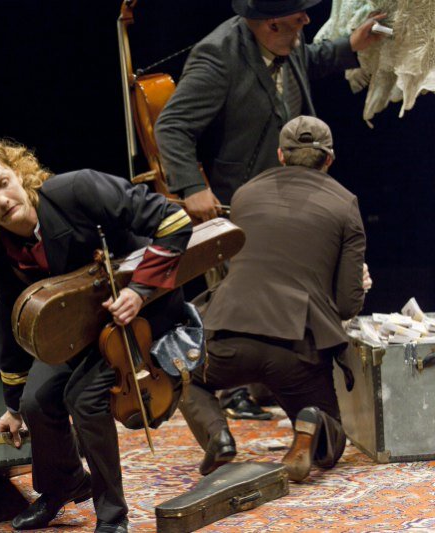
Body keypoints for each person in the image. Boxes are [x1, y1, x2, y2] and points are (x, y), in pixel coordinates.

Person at [0, 140, 192, 532]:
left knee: (83, 398)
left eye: (3, 182)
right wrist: (13, 406)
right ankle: (63, 483)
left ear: (19, 174)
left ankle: (112, 517)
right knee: (36, 401)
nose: (2, 199)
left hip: (140, 315)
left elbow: (174, 221)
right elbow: (13, 323)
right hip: (79, 334)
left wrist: (139, 291)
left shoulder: (78, 191)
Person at [154, 0, 383, 419]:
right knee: (244, 287)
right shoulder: (217, 56)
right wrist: (191, 186)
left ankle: (270, 380)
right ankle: (232, 389)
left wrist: (351, 44)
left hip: (291, 191)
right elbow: (171, 125)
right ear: (271, 24)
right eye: (298, 16)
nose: (307, 19)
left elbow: (308, 59)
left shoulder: (286, 39)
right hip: (244, 196)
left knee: (287, 282)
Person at [179, 115, 369, 482]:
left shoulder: (244, 195)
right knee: (330, 447)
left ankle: (217, 436)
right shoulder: (346, 204)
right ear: (329, 158)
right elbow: (347, 304)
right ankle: (313, 424)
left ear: (281, 155)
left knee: (185, 378)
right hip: (294, 350)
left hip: (229, 334)